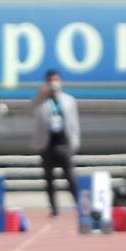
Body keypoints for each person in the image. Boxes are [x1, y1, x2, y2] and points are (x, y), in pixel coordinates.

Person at [32, 69, 80, 217]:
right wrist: (40, 96)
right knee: (49, 178)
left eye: (56, 80)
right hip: (47, 143)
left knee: (70, 176)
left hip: (63, 142)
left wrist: (75, 142)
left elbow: (74, 123)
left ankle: (79, 205)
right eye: (50, 81)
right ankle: (54, 208)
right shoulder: (41, 101)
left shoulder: (68, 100)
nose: (53, 84)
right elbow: (31, 112)